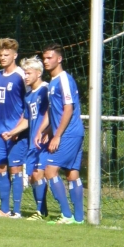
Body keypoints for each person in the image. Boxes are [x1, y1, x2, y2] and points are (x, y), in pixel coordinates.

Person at [36, 44, 86, 224]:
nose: (46, 61)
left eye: (49, 58)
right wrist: (43, 130)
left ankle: (66, 215)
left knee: (50, 171)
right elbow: (53, 111)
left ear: (59, 59)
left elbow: (68, 109)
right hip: (72, 133)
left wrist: (57, 135)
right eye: (44, 58)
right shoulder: (53, 82)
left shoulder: (64, 79)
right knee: (72, 174)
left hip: (69, 134)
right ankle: (79, 219)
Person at [1, 56, 49, 220]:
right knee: (32, 175)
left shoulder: (46, 90)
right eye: (25, 74)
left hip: (44, 140)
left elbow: (54, 113)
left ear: (38, 73)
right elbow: (28, 119)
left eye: (28, 73)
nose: (26, 77)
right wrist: (13, 132)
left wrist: (47, 131)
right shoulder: (29, 96)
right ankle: (41, 210)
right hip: (32, 140)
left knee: (38, 174)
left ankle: (40, 211)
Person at [0, 38, 28, 217]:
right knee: (0, 168)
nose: (3, 58)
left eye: (6, 55)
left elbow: (27, 104)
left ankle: (18, 211)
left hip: (15, 131)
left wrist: (18, 128)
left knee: (15, 169)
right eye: (1, 55)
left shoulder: (22, 75)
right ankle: (4, 209)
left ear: (15, 55)